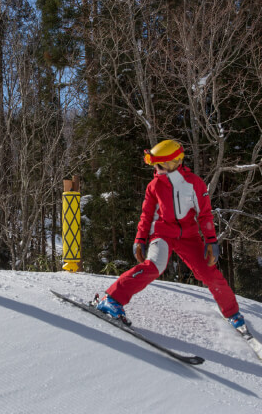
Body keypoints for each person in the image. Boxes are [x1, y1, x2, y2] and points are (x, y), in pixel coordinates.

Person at [97, 139, 246, 329]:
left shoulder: (194, 183)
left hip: (189, 236)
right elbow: (147, 215)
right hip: (162, 233)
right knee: (154, 266)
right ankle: (112, 299)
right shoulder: (154, 186)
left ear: (175, 162)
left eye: (162, 165)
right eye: (157, 165)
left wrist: (211, 241)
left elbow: (205, 214)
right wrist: (140, 238)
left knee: (208, 273)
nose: (159, 169)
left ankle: (232, 313)